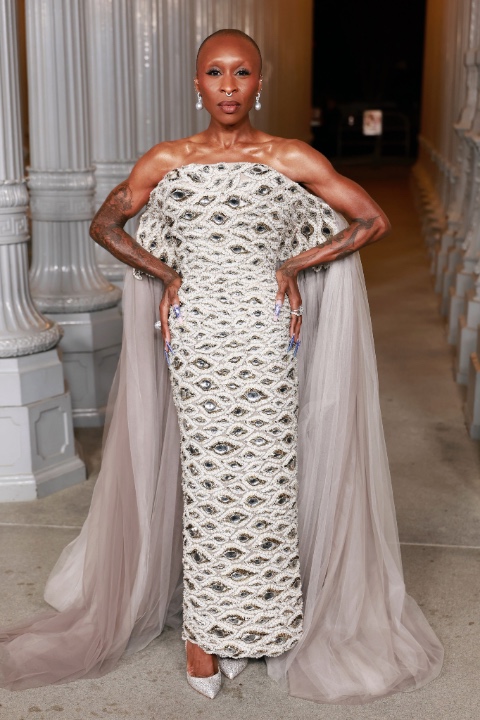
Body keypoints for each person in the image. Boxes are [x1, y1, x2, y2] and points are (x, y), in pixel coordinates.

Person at [0, 29, 443, 704]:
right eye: (215, 72)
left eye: (241, 73)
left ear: (259, 83)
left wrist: (295, 263)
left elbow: (371, 220)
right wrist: (167, 274)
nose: (228, 85)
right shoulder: (168, 159)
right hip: (197, 336)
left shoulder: (288, 156)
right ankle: (205, 633)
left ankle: (263, 620)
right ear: (197, 83)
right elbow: (106, 225)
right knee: (208, 477)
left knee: (267, 475)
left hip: (266, 336)